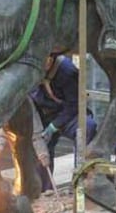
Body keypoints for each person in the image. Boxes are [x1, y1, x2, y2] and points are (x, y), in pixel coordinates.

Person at [30, 51, 97, 192]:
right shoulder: (32, 67)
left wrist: (55, 125)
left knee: (87, 127)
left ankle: (79, 181)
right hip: (45, 115)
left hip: (69, 114)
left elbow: (75, 104)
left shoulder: (67, 71)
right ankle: (44, 189)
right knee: (40, 144)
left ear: (50, 59)